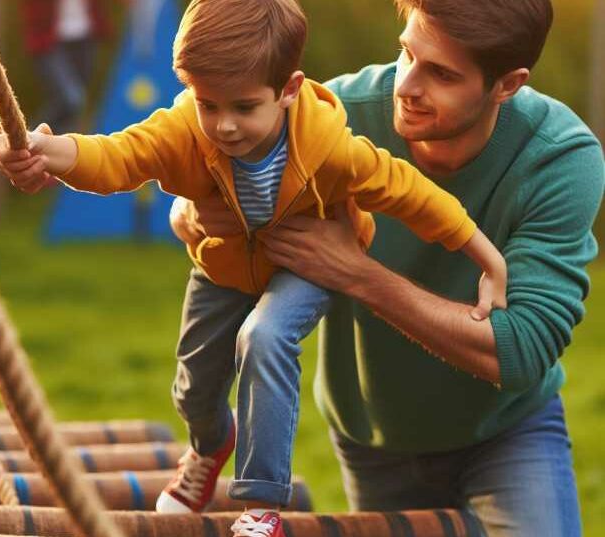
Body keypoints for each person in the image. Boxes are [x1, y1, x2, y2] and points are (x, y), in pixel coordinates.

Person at [0, 0, 508, 534]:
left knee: (265, 336)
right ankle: (209, 447)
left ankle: (261, 506)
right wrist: (48, 150)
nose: (225, 126)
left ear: (288, 90)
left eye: (243, 107)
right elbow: (119, 156)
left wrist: (487, 260)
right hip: (226, 263)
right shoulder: (186, 128)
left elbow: (415, 196)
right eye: (208, 104)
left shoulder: (331, 148)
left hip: (304, 264)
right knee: (194, 389)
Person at [169, 0, 605, 534]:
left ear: (507, 85)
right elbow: (212, 143)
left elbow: (522, 349)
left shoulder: (559, 157)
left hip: (506, 434)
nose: (407, 85)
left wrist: (356, 273)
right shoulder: (336, 116)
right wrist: (187, 208)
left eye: (441, 74)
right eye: (407, 54)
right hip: (370, 433)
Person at [20, 0, 111, 134]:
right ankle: (30, 139)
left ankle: (58, 148)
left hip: (84, 37)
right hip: (49, 41)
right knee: (71, 100)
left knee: (74, 107)